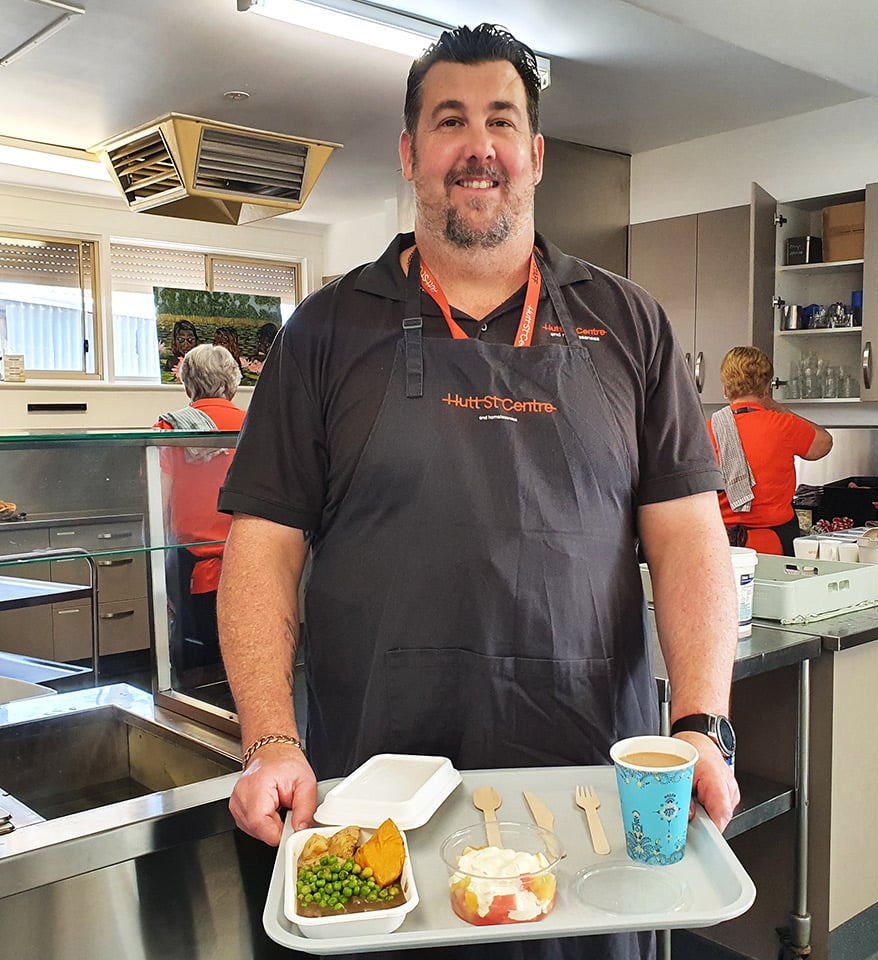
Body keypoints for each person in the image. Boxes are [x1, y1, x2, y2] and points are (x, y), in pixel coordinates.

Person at [217, 24, 739, 960]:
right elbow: (264, 545)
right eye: (448, 120)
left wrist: (701, 725)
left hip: (591, 793)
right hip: (377, 800)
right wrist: (269, 743)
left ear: (534, 155)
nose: (478, 146)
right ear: (413, 152)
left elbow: (690, 537)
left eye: (501, 120)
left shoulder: (631, 325)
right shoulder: (324, 334)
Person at [156, 344, 245, 677]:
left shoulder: (168, 429)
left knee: (195, 668)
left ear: (187, 384)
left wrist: (158, 577)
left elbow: (155, 503)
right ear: (233, 382)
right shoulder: (253, 426)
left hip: (187, 563)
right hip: (247, 558)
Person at [708, 346, 833, 555]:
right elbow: (825, 443)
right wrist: (777, 407)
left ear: (725, 387)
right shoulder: (783, 425)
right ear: (766, 387)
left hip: (720, 546)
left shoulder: (708, 429)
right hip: (774, 544)